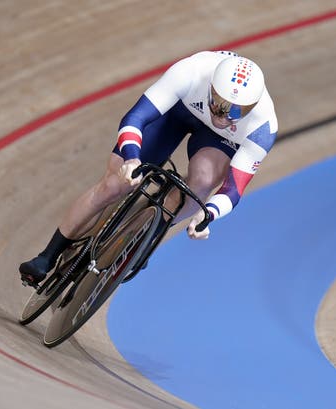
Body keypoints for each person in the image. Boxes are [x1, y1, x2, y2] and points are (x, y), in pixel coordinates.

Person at [19, 50, 278, 286]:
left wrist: (207, 214)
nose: (222, 116)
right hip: (177, 112)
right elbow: (135, 119)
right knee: (113, 184)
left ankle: (148, 232)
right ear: (210, 88)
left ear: (252, 108)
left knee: (202, 182)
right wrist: (132, 159)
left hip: (217, 142)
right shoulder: (190, 71)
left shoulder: (263, 127)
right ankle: (47, 256)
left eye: (235, 112)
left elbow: (233, 189)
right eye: (218, 104)